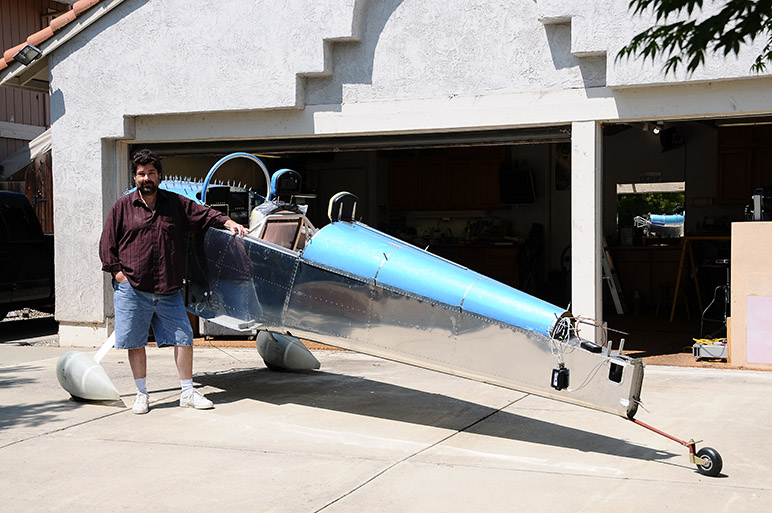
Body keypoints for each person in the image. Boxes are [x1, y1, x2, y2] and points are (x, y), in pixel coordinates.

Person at [99, 149, 247, 414]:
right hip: (132, 287)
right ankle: (141, 393)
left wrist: (228, 221)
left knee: (184, 337)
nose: (147, 178)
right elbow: (107, 244)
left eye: (151, 173)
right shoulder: (122, 207)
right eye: (142, 174)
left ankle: (187, 392)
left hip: (168, 287)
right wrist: (118, 274)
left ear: (159, 176)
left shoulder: (176, 204)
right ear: (135, 177)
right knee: (135, 342)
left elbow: (204, 214)